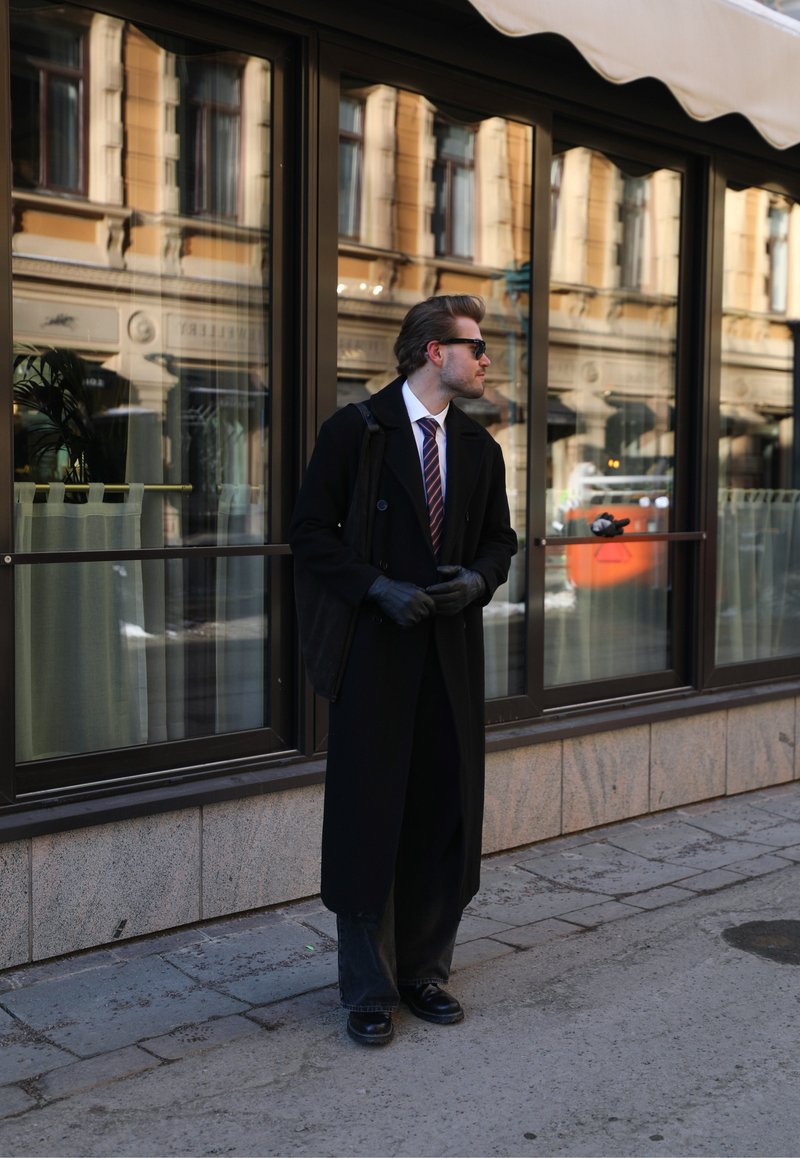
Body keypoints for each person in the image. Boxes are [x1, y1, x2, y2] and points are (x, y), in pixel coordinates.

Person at [289, 294, 517, 1046]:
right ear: (433, 352)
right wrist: (375, 586)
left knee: (442, 815)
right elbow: (312, 535)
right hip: (375, 660)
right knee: (368, 822)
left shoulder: (480, 450)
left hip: (449, 660)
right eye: (474, 346)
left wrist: (477, 582)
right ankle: (366, 990)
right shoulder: (355, 432)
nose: (485, 358)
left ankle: (424, 972)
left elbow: (500, 543)